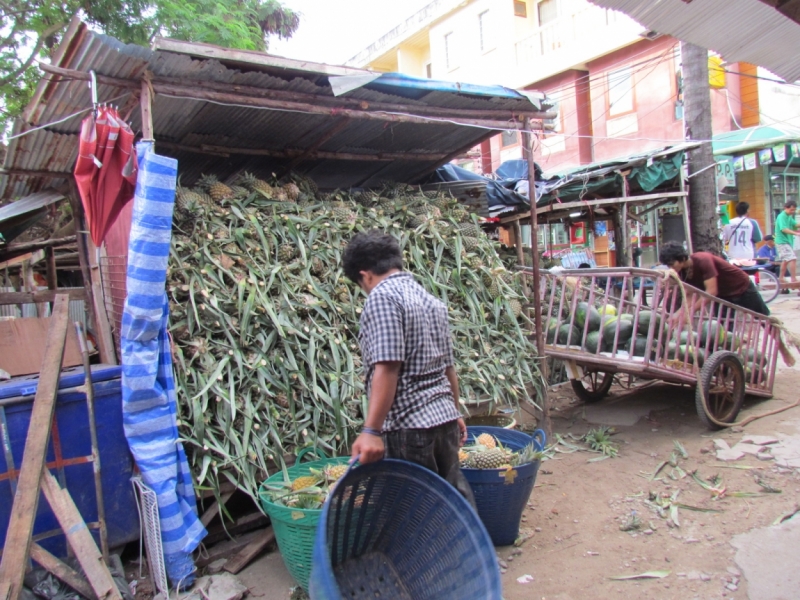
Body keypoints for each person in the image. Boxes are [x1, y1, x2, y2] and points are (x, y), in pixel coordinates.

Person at [343, 230, 475, 504]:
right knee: (449, 503)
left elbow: (388, 367)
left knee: (413, 512)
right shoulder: (431, 301)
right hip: (444, 423)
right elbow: (448, 367)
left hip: (410, 429)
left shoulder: (382, 297)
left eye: (361, 283)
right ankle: (466, 547)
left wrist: (371, 431)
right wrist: (454, 409)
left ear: (365, 275)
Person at [658, 241, 769, 316]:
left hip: (743, 289)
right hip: (723, 296)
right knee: (722, 328)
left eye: (672, 264)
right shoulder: (682, 271)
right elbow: (690, 295)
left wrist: (690, 313)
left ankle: (783, 350)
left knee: (764, 320)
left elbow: (711, 291)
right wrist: (678, 315)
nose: (671, 268)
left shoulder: (702, 260)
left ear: (682, 258)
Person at [774, 200, 800, 286]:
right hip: (782, 241)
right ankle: (793, 278)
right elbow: (783, 229)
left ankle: (781, 278)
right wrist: (795, 233)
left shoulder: (789, 216)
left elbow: (796, 225)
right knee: (792, 258)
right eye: (791, 210)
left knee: (785, 260)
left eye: (794, 210)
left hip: (786, 241)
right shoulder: (782, 216)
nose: (792, 212)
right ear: (786, 208)